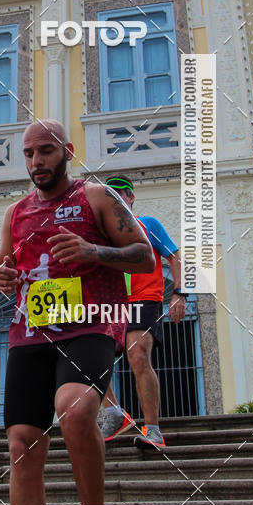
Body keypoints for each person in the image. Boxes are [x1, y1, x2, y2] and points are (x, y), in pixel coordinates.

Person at [0, 120, 155, 505]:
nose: (37, 161)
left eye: (46, 151)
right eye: (29, 154)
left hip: (90, 325)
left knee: (75, 407)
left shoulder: (98, 197)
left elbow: (145, 255)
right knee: (21, 445)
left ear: (67, 151)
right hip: (32, 332)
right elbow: (4, 272)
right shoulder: (16, 213)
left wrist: (93, 251)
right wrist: (2, 276)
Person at [100, 175, 187, 449]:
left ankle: (153, 431)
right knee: (89, 361)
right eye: (110, 196)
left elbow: (175, 258)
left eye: (121, 194)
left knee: (137, 355)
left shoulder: (147, 225)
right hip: (111, 303)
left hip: (143, 298)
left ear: (131, 197)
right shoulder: (101, 233)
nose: (117, 199)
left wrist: (179, 293)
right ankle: (114, 413)